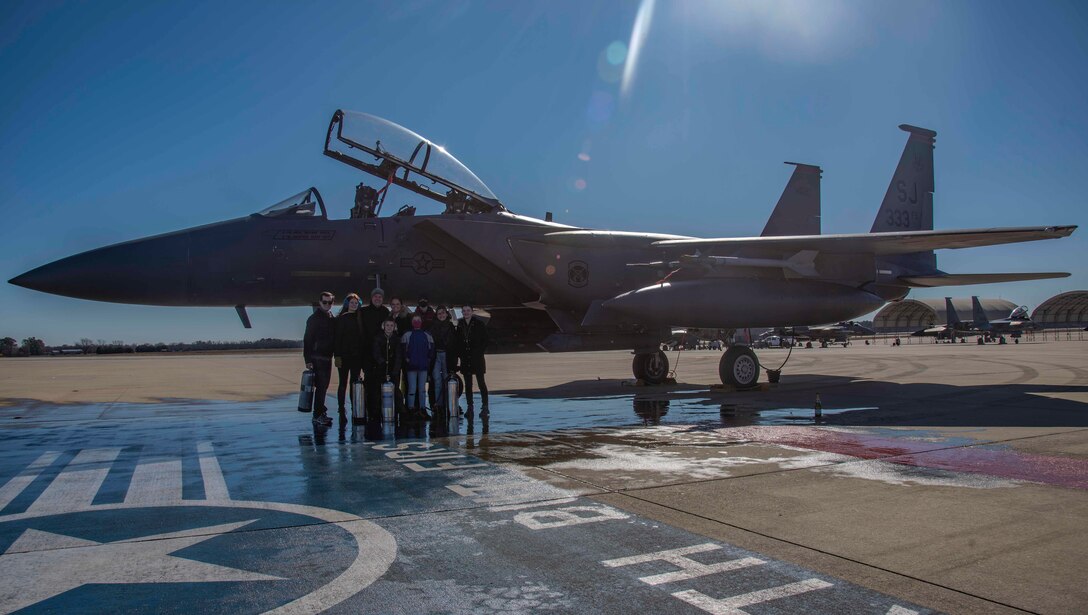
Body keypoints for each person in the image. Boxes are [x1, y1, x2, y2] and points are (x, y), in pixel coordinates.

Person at [303, 291, 336, 426]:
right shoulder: (314, 319)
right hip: (317, 357)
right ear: (320, 302)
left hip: (327, 357)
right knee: (321, 387)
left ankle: (321, 412)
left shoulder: (331, 317)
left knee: (324, 386)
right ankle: (317, 415)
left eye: (330, 302)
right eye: (324, 302)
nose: (327, 304)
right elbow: (307, 340)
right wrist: (308, 359)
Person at [357, 288, 390, 419]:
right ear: (371, 298)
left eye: (380, 297)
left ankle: (378, 410)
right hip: (367, 353)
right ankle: (368, 410)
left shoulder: (385, 311)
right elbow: (359, 330)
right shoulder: (363, 311)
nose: (378, 299)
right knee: (369, 381)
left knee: (380, 381)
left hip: (381, 354)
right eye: (375, 296)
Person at [334, 293, 364, 421]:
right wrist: (337, 355)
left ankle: (354, 407)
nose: (353, 305)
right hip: (344, 356)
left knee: (354, 383)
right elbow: (337, 338)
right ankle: (341, 409)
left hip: (356, 356)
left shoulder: (359, 319)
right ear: (347, 304)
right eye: (351, 302)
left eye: (356, 303)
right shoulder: (342, 319)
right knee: (342, 383)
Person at [401, 314, 435, 420]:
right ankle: (410, 408)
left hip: (423, 366)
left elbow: (431, 350)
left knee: (422, 389)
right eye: (414, 320)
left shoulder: (427, 335)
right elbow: (403, 350)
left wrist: (428, 360)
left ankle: (422, 408)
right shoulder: (407, 334)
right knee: (411, 388)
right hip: (411, 366)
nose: (416, 321)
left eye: (418, 319)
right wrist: (407, 360)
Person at [457, 305, 489, 417]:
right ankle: (470, 407)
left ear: (472, 312)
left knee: (481, 383)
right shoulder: (460, 324)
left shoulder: (479, 324)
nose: (466, 313)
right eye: (464, 311)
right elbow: (458, 341)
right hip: (466, 359)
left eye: (468, 311)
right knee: (468, 385)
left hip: (477, 358)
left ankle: (485, 407)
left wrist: (479, 352)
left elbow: (485, 340)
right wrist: (460, 355)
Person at [370, 319, 402, 421]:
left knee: (396, 391)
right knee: (377, 391)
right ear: (383, 326)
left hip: (393, 369)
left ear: (394, 327)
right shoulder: (378, 338)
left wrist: (395, 370)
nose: (389, 327)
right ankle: (376, 413)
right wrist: (382, 363)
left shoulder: (396, 339)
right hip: (380, 368)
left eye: (391, 325)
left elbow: (398, 356)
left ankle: (399, 411)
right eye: (387, 325)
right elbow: (376, 353)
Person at [428, 305, 458, 412]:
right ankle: (438, 404)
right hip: (436, 355)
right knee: (436, 379)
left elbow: (454, 344)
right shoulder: (432, 327)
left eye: (443, 313)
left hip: (447, 355)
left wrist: (454, 361)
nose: (441, 315)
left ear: (446, 314)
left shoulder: (451, 327)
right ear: (436, 315)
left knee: (447, 379)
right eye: (439, 313)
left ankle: (448, 403)